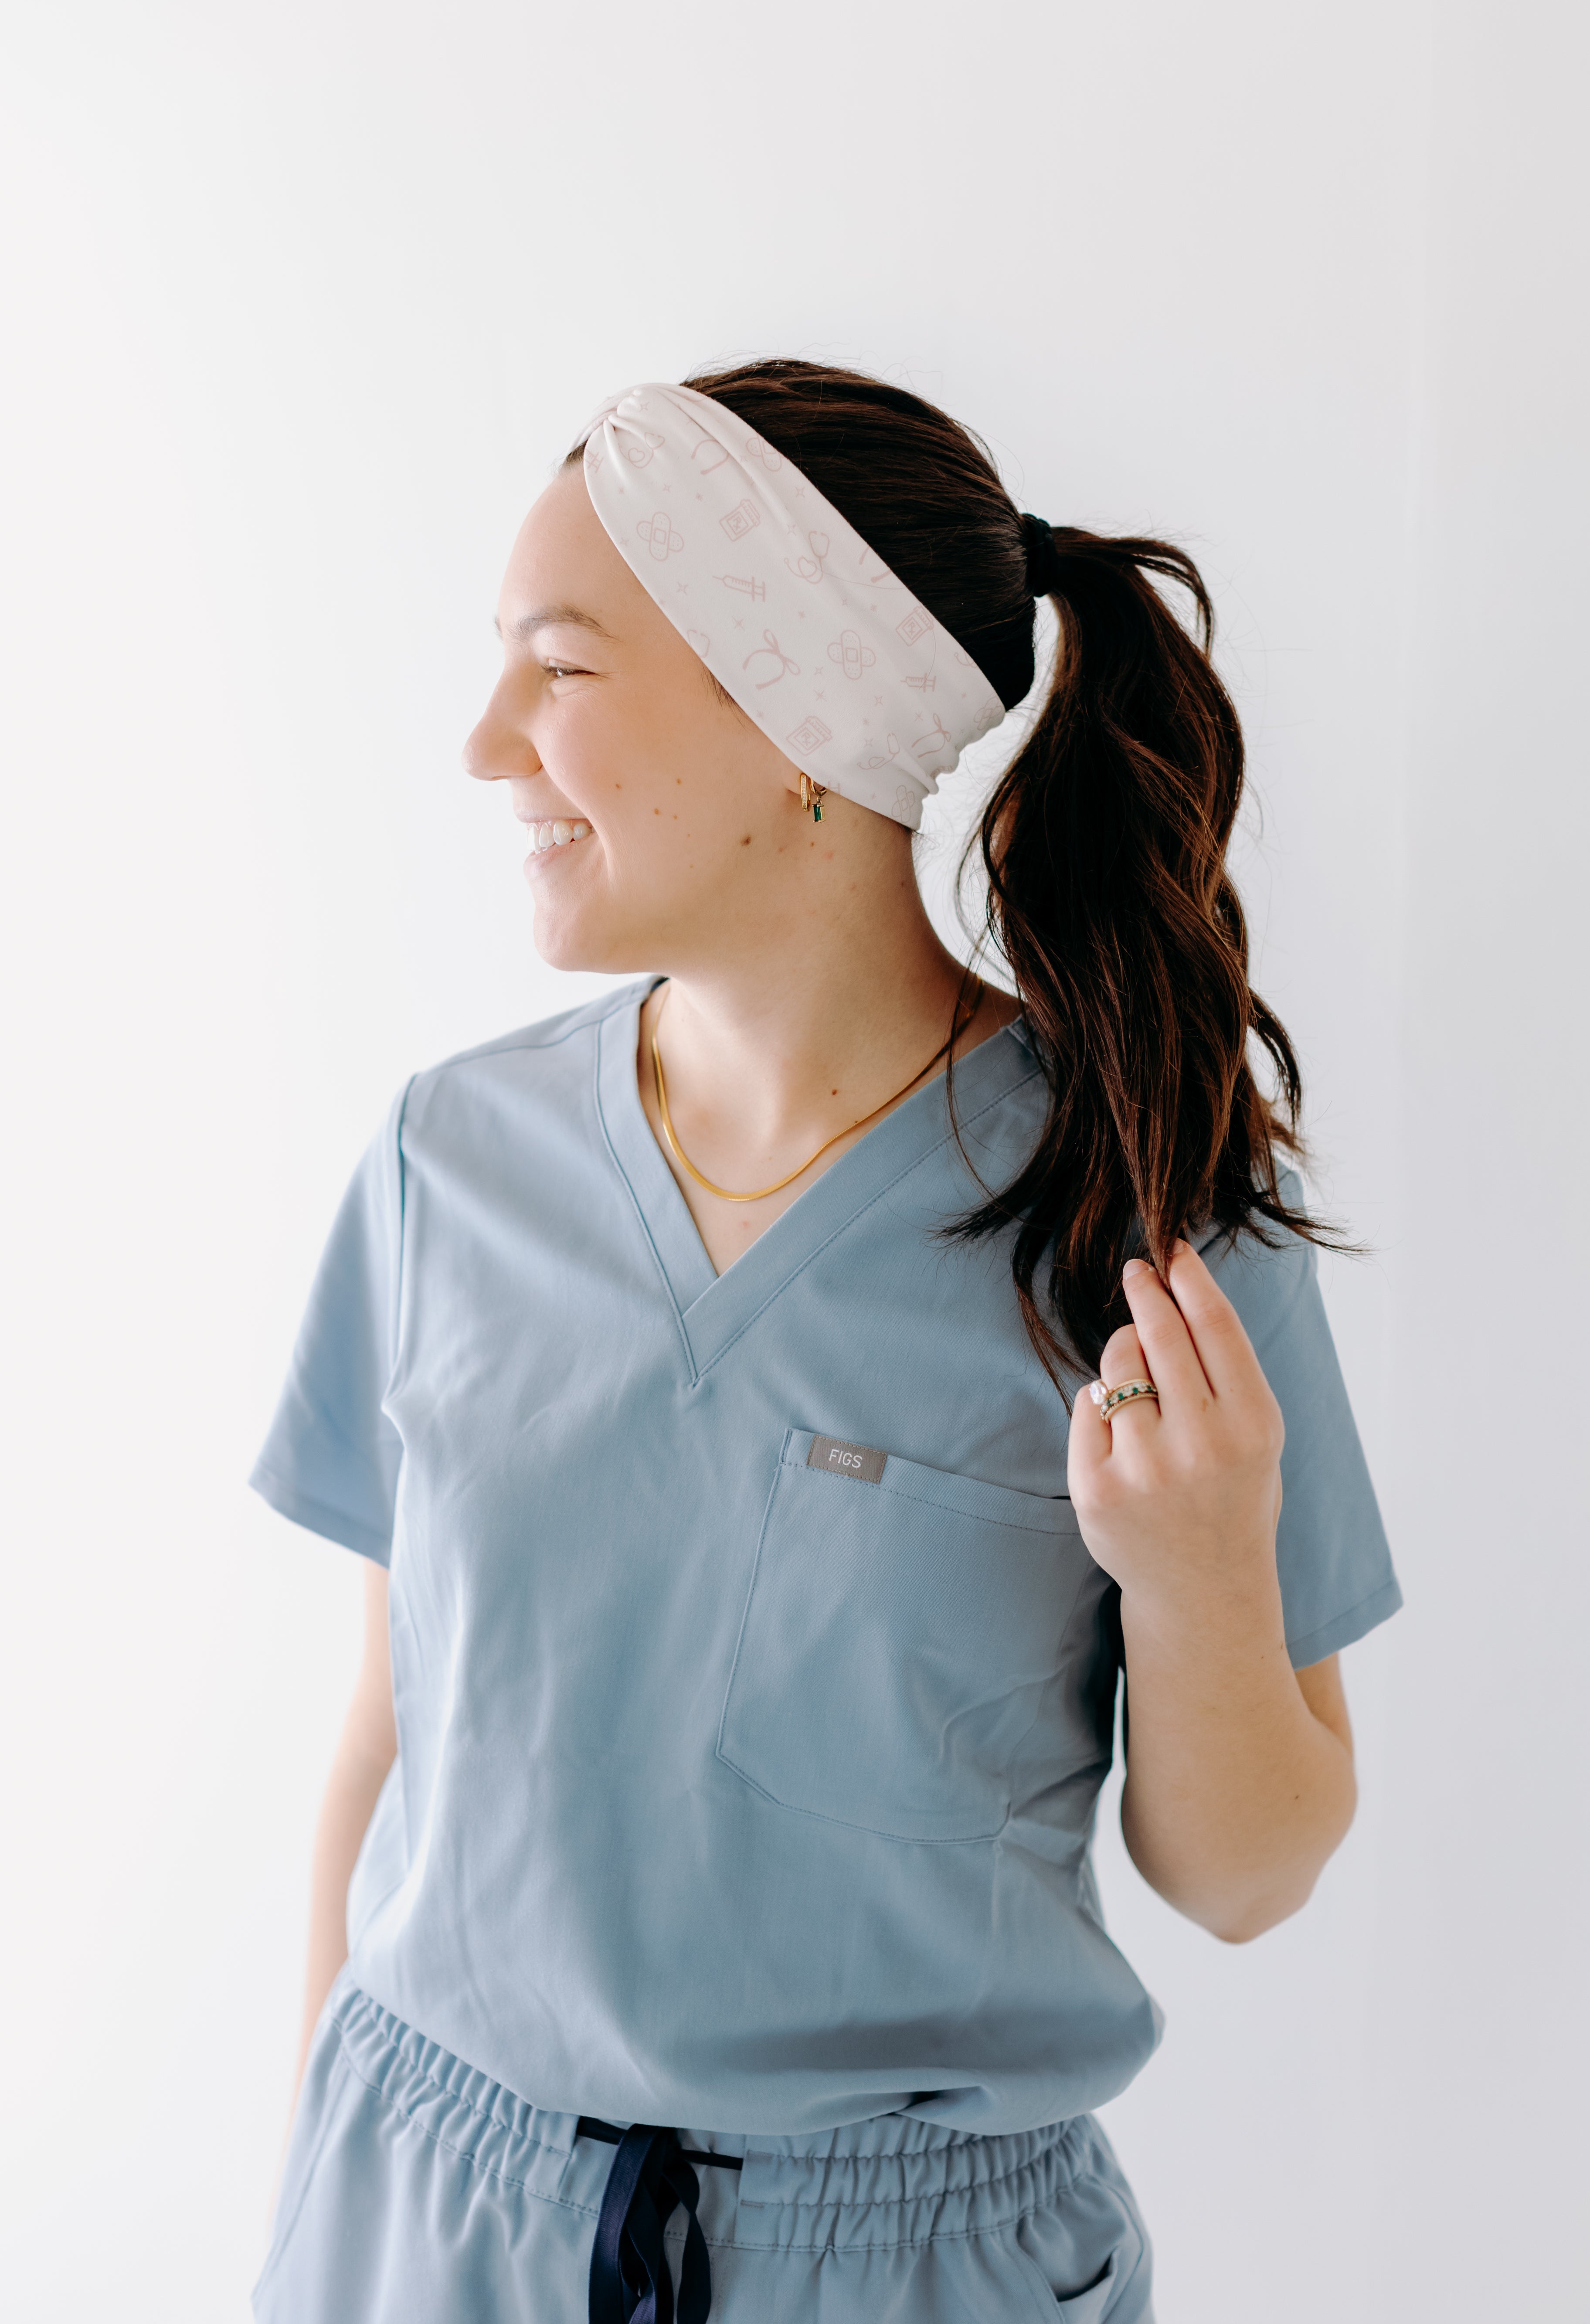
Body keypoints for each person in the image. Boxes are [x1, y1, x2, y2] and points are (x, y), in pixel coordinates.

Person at [247, 364, 1400, 2322]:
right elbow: (386, 1745)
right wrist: (319, 2188)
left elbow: (1248, 1875)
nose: (483, 743)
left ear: (797, 716)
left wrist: (1202, 1573)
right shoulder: (454, 1161)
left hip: (903, 2273)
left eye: (561, 669)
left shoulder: (1136, 1223)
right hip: (423, 2218)